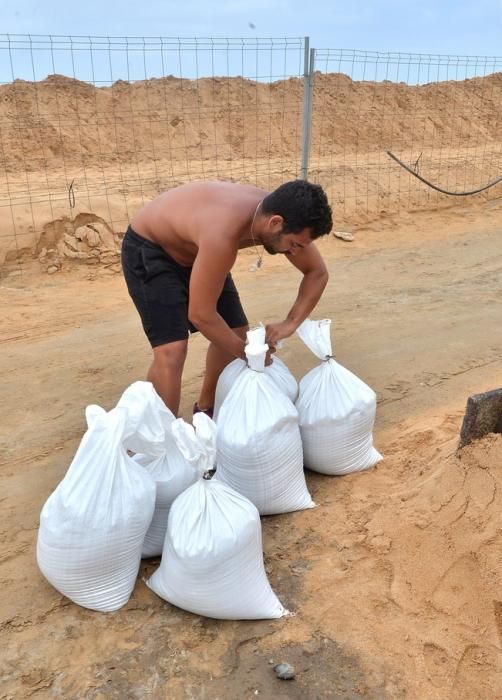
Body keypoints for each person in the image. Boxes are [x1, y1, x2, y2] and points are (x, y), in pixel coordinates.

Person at [121, 179, 333, 416]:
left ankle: (207, 409)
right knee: (172, 350)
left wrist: (291, 323)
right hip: (151, 249)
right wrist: (248, 355)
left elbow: (317, 273)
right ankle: (161, 441)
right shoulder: (223, 232)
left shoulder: (281, 213)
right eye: (294, 244)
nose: (295, 252)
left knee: (235, 331)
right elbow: (201, 315)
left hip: (197, 251)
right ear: (275, 223)